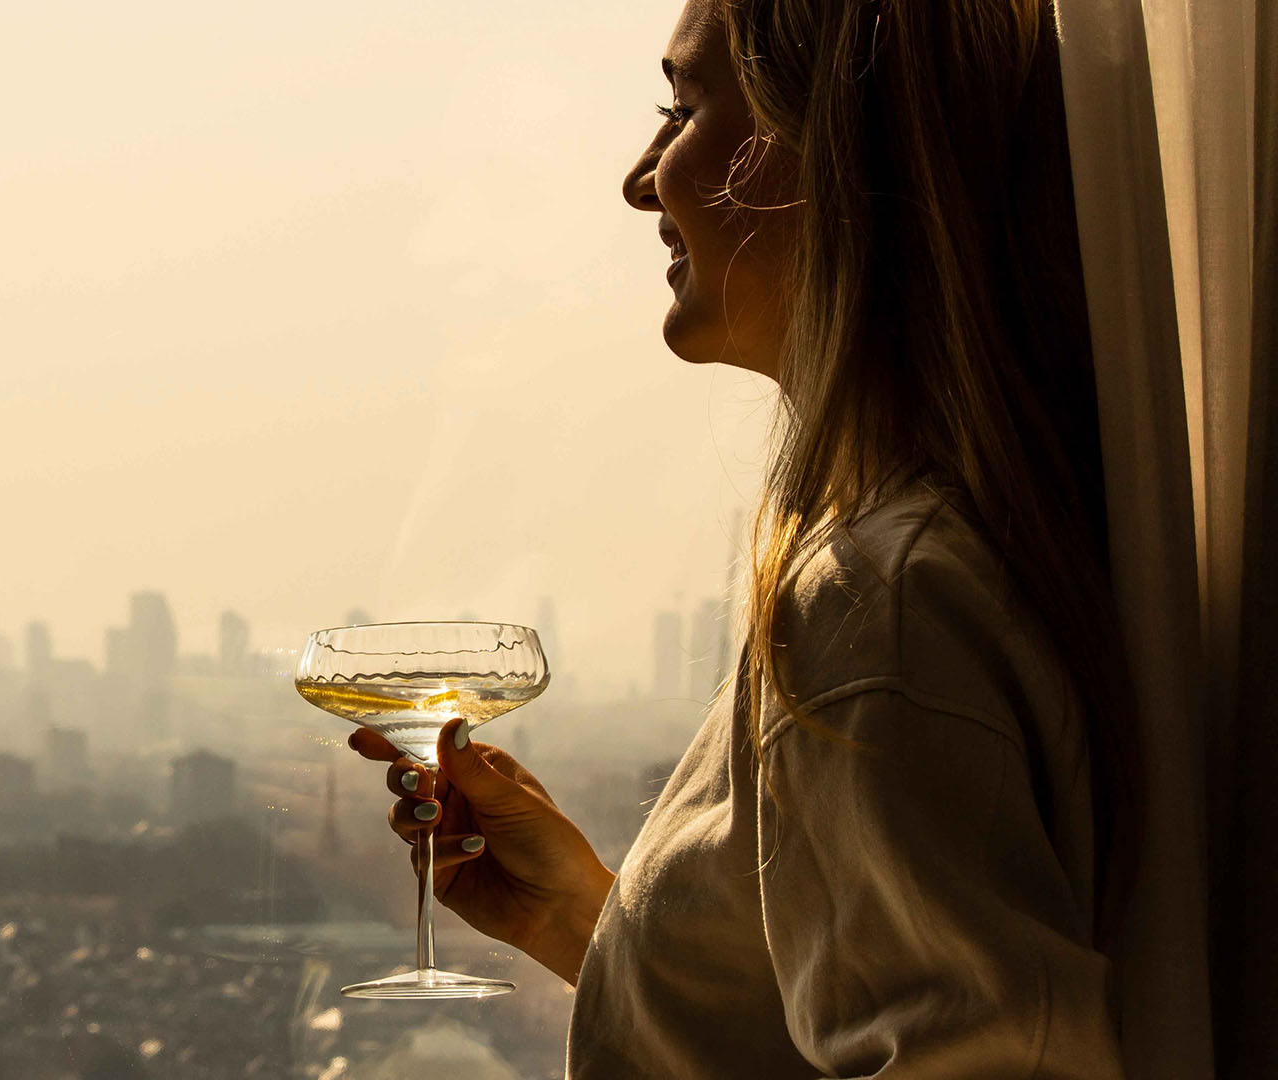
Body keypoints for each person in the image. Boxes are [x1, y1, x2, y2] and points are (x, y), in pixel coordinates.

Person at [349, 0, 1138, 1075]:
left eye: (681, 110)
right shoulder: (923, 565)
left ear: (832, 151)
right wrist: (581, 921)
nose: (642, 178)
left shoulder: (873, 600)